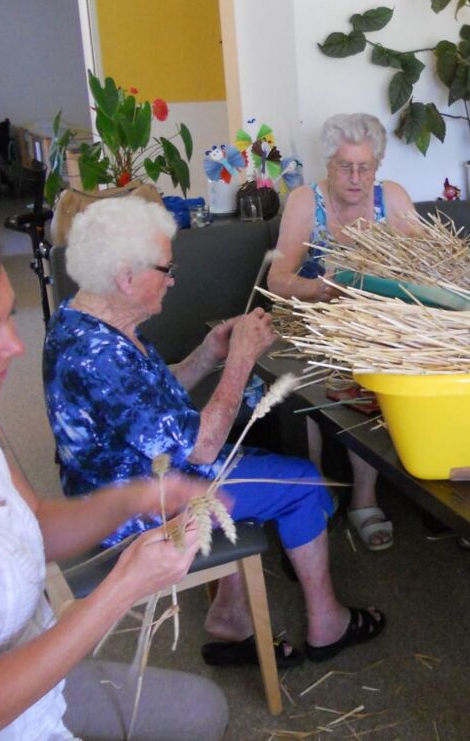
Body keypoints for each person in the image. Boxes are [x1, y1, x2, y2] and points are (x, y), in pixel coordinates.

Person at [0, 211, 228, 740]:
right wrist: (123, 586)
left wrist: (133, 499)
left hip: (35, 678)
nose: (15, 346)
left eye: (9, 318)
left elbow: (30, 521)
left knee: (203, 710)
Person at [44, 197, 385, 670]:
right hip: (136, 506)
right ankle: (328, 624)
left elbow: (150, 404)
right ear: (125, 277)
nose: (173, 279)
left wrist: (206, 355)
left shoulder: (81, 318)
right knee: (305, 483)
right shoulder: (102, 355)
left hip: (120, 482)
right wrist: (242, 359)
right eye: (166, 269)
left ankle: (230, 614)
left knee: (254, 464)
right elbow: (203, 447)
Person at [267, 113, 417, 552]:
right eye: (345, 167)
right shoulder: (304, 202)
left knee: (368, 368)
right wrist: (319, 289)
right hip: (313, 321)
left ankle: (364, 497)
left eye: (364, 167)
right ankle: (313, 491)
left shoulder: (392, 199)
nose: (355, 178)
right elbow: (278, 280)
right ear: (328, 165)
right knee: (310, 372)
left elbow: (425, 269)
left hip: (375, 327)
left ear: (377, 166)